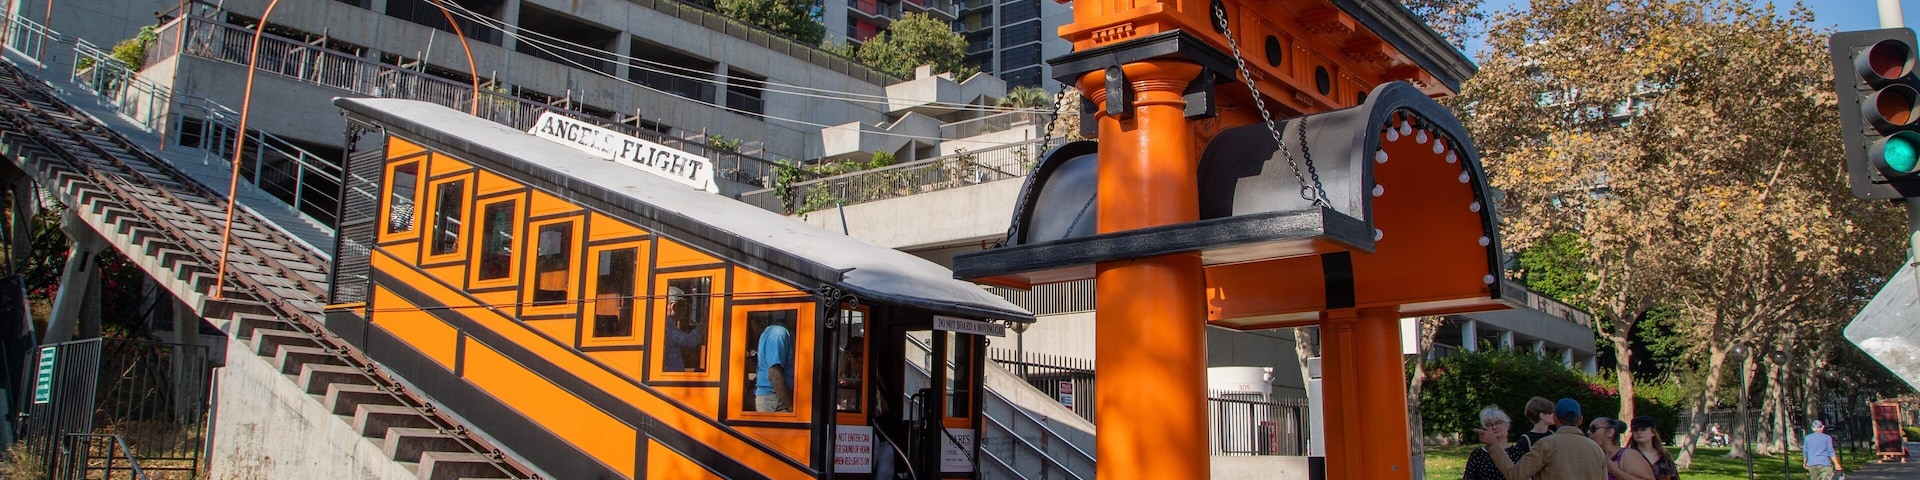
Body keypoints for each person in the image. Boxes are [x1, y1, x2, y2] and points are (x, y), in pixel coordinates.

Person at [1477, 397, 1607, 480]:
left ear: (1555, 418)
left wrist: (1494, 445)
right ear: (1580, 420)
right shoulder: (1596, 449)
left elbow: (1515, 475)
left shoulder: (1546, 444)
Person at [1463, 406, 1524, 480]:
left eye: (1498, 423)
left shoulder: (1517, 452)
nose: (1494, 427)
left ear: (1507, 425)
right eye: (1489, 425)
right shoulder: (1477, 454)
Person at [755, 315, 795, 412]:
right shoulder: (778, 334)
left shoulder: (782, 333)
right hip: (776, 399)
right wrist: (791, 406)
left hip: (776, 398)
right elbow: (774, 374)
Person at [661, 286, 704, 372]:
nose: (684, 311)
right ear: (673, 306)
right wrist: (706, 320)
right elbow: (690, 342)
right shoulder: (666, 325)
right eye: (683, 306)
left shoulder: (669, 323)